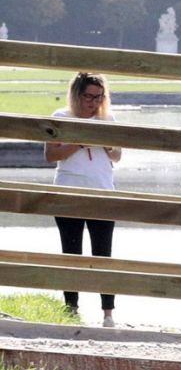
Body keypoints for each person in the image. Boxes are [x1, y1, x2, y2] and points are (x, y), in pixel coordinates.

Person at [44, 72, 120, 327]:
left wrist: (104, 143)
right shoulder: (60, 117)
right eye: (88, 96)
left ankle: (108, 313)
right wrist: (80, 141)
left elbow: (118, 156)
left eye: (98, 97)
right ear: (77, 95)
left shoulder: (108, 119)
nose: (93, 102)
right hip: (68, 194)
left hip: (102, 193)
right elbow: (51, 155)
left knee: (103, 255)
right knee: (71, 252)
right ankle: (71, 308)